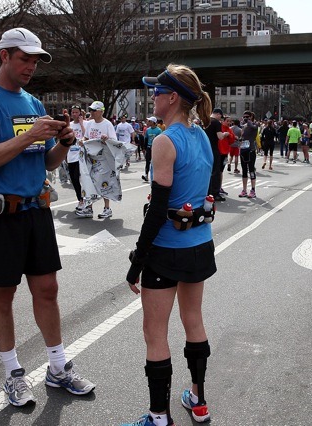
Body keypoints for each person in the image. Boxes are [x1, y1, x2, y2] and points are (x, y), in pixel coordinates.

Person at [0, 27, 94, 407]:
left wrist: (63, 143)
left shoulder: (33, 103)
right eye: (25, 58)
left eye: (36, 60)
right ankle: (13, 373)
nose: (31, 66)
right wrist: (28, 135)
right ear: (4, 56)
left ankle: (57, 367)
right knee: (2, 294)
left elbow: (45, 161)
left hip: (36, 209)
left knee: (48, 290)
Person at [123, 63, 217, 426]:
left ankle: (158, 416)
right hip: (200, 244)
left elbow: (158, 209)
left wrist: (136, 262)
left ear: (173, 97)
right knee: (193, 319)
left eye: (157, 92)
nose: (153, 97)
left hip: (167, 250)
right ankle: (198, 400)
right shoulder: (202, 137)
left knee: (154, 331)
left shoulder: (165, 140)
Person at [80, 100, 119, 219]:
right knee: (88, 181)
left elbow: (114, 141)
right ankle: (89, 208)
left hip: (103, 160)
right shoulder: (90, 124)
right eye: (90, 110)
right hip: (91, 158)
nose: (91, 112)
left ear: (101, 112)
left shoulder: (107, 124)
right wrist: (82, 141)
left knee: (104, 183)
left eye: (93, 110)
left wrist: (106, 139)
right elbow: (86, 137)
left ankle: (107, 208)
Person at [205, 107, 229, 202]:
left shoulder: (205, 121)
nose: (221, 119)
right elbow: (220, 137)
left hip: (205, 149)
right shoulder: (216, 123)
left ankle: (207, 192)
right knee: (215, 172)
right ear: (218, 114)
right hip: (213, 149)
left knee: (207, 172)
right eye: (221, 117)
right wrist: (225, 134)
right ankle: (215, 193)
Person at [67, 105, 85, 212]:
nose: (74, 114)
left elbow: (86, 134)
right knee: (73, 180)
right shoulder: (69, 125)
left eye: (76, 112)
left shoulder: (85, 124)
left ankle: (83, 200)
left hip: (80, 156)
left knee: (78, 177)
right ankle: (80, 199)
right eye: (73, 112)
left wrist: (82, 124)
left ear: (80, 113)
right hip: (70, 156)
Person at [239, 110, 258, 198]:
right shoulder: (243, 126)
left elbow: (254, 128)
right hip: (243, 150)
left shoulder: (254, 124)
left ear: (251, 117)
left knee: (251, 169)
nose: (245, 118)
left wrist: (249, 122)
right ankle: (244, 190)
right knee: (244, 170)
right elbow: (242, 136)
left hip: (251, 150)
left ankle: (253, 190)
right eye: (244, 117)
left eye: (247, 117)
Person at [143, 116, 162, 182]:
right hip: (149, 147)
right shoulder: (148, 130)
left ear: (153, 122)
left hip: (155, 148)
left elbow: (160, 140)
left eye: (150, 121)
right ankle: (146, 175)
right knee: (147, 161)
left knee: (155, 162)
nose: (148, 122)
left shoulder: (159, 130)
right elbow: (146, 139)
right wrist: (144, 148)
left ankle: (156, 176)